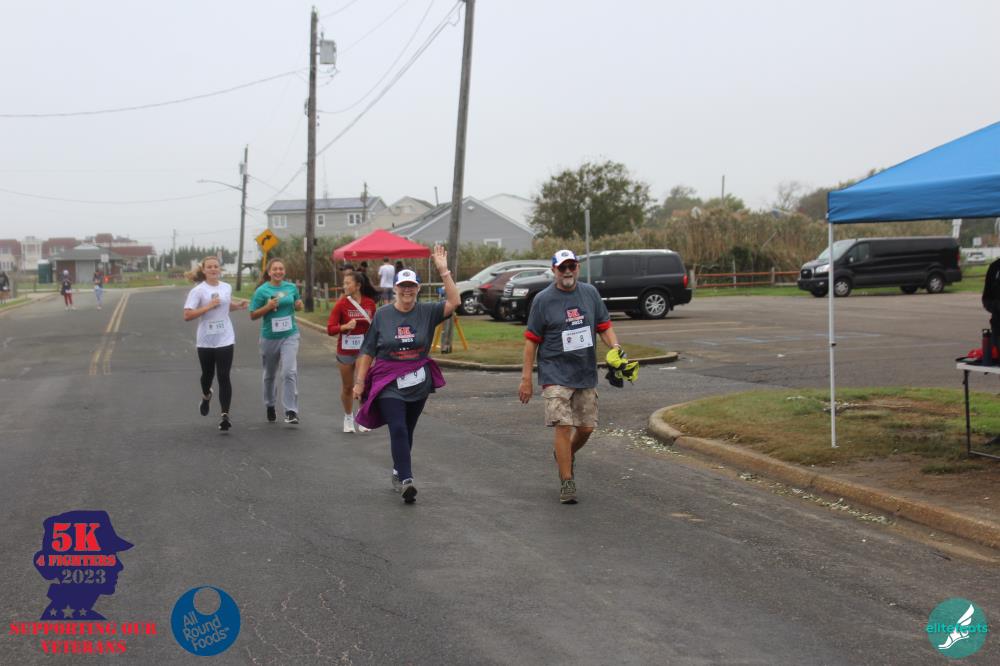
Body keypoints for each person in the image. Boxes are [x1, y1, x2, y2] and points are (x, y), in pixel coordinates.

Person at [518, 249, 626, 504]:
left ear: (578, 268)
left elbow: (604, 327)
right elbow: (531, 342)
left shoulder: (590, 293)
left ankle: (564, 454)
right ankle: (567, 481)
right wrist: (526, 379)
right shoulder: (543, 300)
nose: (567, 272)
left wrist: (615, 348)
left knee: (586, 428)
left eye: (571, 266)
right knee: (563, 425)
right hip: (554, 372)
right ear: (553, 270)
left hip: (584, 371)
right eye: (562, 267)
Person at [354, 245, 460, 503]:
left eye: (412, 286)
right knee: (398, 427)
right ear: (395, 288)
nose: (407, 290)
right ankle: (407, 480)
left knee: (408, 430)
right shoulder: (383, 315)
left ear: (418, 288)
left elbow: (454, 302)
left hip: (418, 381)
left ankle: (397, 470)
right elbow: (367, 350)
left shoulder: (427, 312)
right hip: (388, 379)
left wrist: (444, 271)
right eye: (403, 286)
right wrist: (359, 382)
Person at [183, 256, 248, 431]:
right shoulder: (198, 291)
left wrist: (238, 306)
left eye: (216, 266)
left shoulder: (226, 287)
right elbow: (187, 315)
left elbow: (225, 306)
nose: (213, 269)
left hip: (225, 338)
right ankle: (206, 396)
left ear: (220, 269)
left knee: (224, 375)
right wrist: (208, 306)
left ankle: (225, 415)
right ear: (204, 270)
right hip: (206, 341)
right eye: (209, 267)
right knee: (207, 375)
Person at [250, 258, 304, 424]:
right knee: (270, 374)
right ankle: (270, 404)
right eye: (275, 269)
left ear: (284, 271)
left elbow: (297, 304)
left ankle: (291, 411)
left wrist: (299, 305)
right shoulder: (262, 291)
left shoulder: (291, 287)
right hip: (270, 337)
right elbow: (253, 315)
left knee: (289, 372)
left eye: (281, 269)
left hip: (290, 335)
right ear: (269, 272)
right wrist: (267, 307)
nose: (278, 271)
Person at [328, 269, 378, 433]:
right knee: (347, 387)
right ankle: (348, 417)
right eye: (344, 283)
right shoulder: (341, 304)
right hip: (345, 350)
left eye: (348, 283)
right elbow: (330, 329)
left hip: (364, 350)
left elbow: (376, 327)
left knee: (362, 383)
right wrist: (345, 327)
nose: (344, 286)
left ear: (357, 285)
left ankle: (362, 417)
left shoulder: (370, 304)